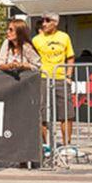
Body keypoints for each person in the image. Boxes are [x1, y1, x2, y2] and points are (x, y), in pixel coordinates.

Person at [33, 13, 75, 146]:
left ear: (55, 23)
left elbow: (70, 57)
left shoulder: (64, 37)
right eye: (42, 21)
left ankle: (66, 146)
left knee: (66, 114)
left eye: (47, 21)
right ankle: (46, 146)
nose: (44, 23)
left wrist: (68, 76)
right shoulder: (36, 39)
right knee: (43, 115)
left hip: (61, 79)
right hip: (43, 78)